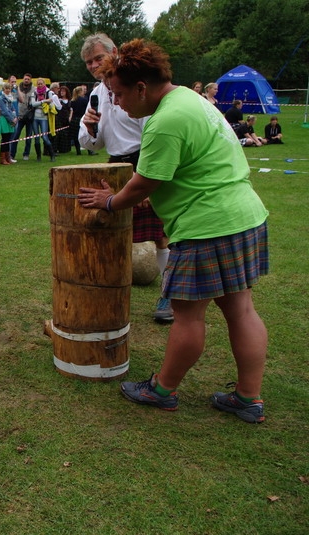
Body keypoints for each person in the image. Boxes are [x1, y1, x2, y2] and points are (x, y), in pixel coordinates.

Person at [78, 39, 269, 424]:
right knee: (241, 309)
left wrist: (110, 202)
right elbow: (186, 169)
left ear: (142, 88)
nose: (116, 103)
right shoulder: (190, 99)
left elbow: (144, 183)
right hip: (243, 215)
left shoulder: (165, 121)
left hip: (207, 225)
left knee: (187, 316)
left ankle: (161, 390)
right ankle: (248, 398)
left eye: (119, 94)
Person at [79, 32, 172, 323]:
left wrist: (144, 177)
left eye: (97, 58)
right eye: (88, 62)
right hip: (114, 166)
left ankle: (167, 296)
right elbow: (91, 144)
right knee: (113, 233)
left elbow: (152, 130)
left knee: (160, 236)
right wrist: (90, 128)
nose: (94, 65)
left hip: (144, 159)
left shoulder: (133, 84)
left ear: (114, 52)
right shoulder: (96, 93)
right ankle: (110, 293)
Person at [30, 79, 58, 162]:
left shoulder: (49, 92)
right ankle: (38, 156)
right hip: (35, 117)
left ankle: (52, 155)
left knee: (45, 137)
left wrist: (42, 103)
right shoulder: (34, 93)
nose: (40, 85)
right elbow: (33, 104)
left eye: (41, 84)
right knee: (36, 137)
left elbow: (52, 103)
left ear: (44, 84)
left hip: (44, 117)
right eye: (38, 84)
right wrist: (44, 101)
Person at [10, 73, 35, 161]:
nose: (26, 80)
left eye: (28, 79)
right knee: (16, 136)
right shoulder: (17, 88)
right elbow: (18, 100)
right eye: (25, 79)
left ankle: (26, 154)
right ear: (23, 79)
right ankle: (12, 154)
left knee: (28, 136)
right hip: (19, 115)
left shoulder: (33, 89)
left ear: (30, 80)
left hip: (29, 115)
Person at [0, 82, 17, 165]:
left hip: (11, 119)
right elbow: (4, 111)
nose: (8, 90)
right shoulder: (1, 98)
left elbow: (13, 109)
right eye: (6, 88)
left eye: (9, 88)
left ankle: (8, 157)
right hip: (4, 120)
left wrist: (15, 117)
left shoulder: (10, 98)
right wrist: (12, 119)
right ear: (3, 89)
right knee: (4, 139)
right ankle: (2, 158)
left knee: (8, 139)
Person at [70, 85, 88, 155]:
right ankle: (90, 150)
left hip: (74, 119)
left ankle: (78, 151)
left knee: (76, 135)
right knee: (85, 134)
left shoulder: (72, 101)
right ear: (80, 92)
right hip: (82, 118)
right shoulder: (84, 100)